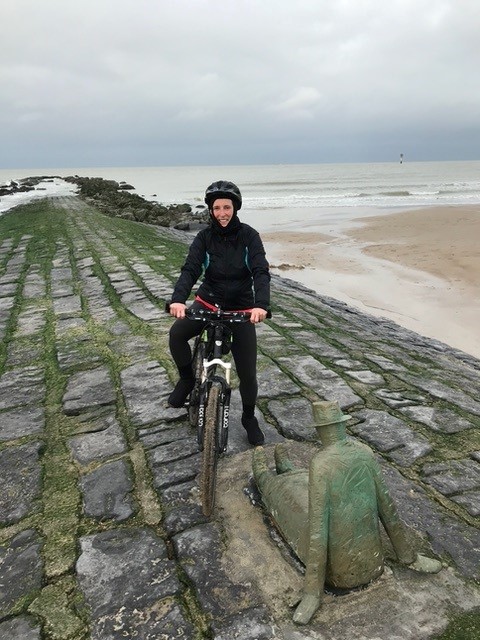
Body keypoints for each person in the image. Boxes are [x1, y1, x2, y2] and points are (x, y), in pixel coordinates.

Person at [252, 401, 442, 625]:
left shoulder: (321, 463)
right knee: (305, 487)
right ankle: (287, 469)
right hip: (374, 564)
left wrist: (312, 592)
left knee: (288, 506)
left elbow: (318, 530)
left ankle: (264, 475)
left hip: (340, 572)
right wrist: (408, 556)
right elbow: (387, 508)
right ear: (342, 424)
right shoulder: (364, 452)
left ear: (320, 430)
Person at [168, 180, 270, 446]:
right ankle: (187, 380)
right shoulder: (204, 237)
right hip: (209, 302)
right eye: (217, 208)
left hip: (242, 308)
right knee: (177, 335)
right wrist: (178, 300)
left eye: (227, 207)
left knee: (248, 374)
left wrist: (261, 305)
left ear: (235, 208)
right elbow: (191, 269)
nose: (222, 213)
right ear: (210, 210)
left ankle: (249, 418)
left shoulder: (249, 236)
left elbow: (260, 271)